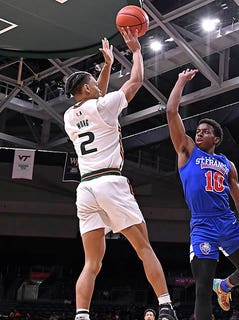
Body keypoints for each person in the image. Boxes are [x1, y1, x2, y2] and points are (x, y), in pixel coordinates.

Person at [63, 29, 176, 320]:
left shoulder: (69, 116)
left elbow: (95, 100)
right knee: (143, 247)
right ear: (87, 89)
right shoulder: (103, 105)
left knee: (92, 263)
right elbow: (136, 81)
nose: (98, 86)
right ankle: (164, 306)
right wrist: (136, 51)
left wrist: (108, 66)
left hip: (85, 189)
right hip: (109, 182)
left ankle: (81, 315)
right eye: (94, 83)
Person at [166, 69, 239, 318]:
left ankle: (224, 286)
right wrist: (180, 82)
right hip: (202, 225)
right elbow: (171, 112)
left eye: (205, 131)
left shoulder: (227, 164)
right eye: (198, 130)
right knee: (201, 288)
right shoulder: (187, 151)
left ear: (217, 138)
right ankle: (213, 289)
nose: (199, 133)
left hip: (228, 222)